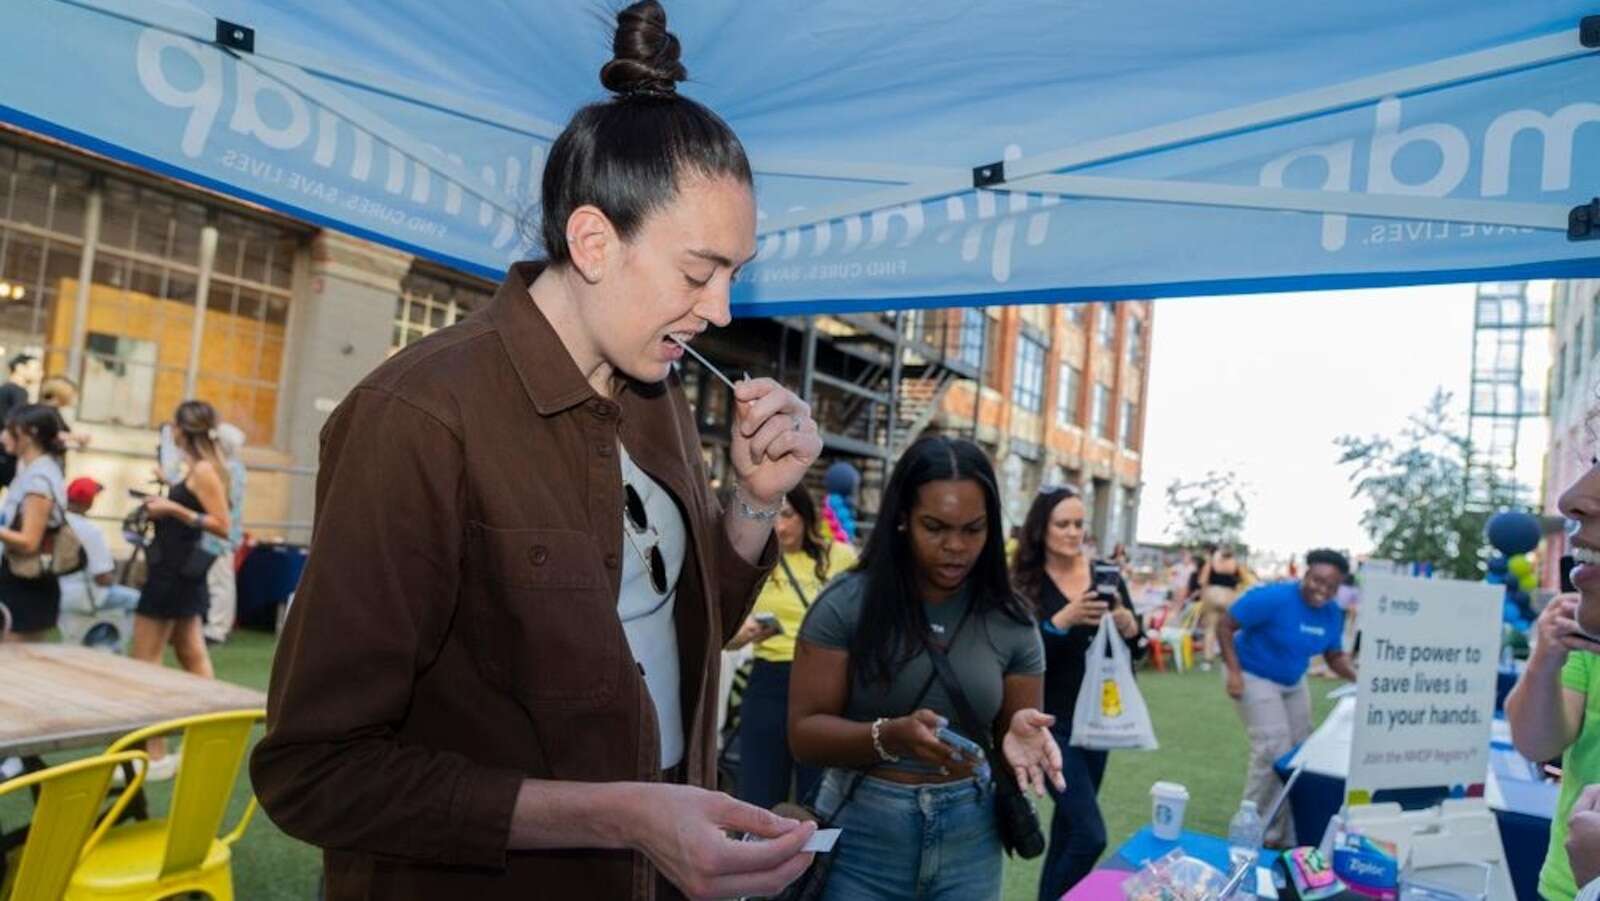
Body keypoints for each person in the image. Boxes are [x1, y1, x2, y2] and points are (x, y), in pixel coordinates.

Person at [250, 5, 823, 898]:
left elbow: (671, 629)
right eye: (699, 271)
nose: (722, 312)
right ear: (593, 241)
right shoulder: (419, 416)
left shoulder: (654, 388)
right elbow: (314, 770)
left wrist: (752, 502)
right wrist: (618, 813)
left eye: (735, 275)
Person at [789, 435, 1064, 901]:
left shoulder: (1012, 620)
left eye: (973, 529)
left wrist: (1018, 732)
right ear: (902, 520)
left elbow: (1012, 734)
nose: (955, 546)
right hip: (862, 831)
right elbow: (804, 734)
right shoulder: (847, 604)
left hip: (971, 837)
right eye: (935, 527)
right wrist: (888, 736)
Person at [1013, 485, 1143, 898]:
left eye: (1079, 524)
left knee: (1069, 829)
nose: (1073, 533)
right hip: (1050, 723)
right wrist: (1060, 622)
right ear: (1041, 529)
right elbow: (1016, 656)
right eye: (1062, 524)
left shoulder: (1106, 575)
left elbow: (1134, 649)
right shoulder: (1024, 581)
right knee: (1091, 835)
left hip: (1099, 720)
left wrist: (1129, 627)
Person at [725, 486, 856, 811]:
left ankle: (817, 861)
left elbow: (862, 617)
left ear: (805, 515)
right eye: (772, 516)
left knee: (820, 795)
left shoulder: (839, 557)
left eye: (787, 515)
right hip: (769, 679)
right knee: (759, 793)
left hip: (824, 683)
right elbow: (728, 639)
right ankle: (754, 858)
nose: (780, 527)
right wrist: (750, 632)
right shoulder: (755, 563)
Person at [1217, 548, 1357, 847]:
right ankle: (1255, 833)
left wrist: (1363, 678)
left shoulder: (1333, 613)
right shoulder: (1273, 598)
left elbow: (1334, 657)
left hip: (1292, 680)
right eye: (1317, 580)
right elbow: (1225, 625)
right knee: (1273, 749)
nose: (1322, 590)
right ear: (1306, 574)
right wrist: (1233, 672)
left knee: (1300, 752)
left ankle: (1288, 832)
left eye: (1331, 586)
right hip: (1252, 673)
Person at [1506, 456, 1600, 900]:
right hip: (1565, 882)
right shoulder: (1588, 634)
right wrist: (1546, 659)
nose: (1570, 499)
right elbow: (1537, 744)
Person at [132, 400, 232, 779]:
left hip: (173, 572)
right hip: (177, 568)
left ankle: (154, 754)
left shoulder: (205, 469)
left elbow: (222, 524)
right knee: (191, 652)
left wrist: (171, 509)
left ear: (181, 430)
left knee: (146, 662)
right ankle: (211, 734)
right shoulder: (197, 469)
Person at [0, 404, 69, 641]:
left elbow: (30, 541)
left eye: (9, 431)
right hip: (18, 578)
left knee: (16, 669)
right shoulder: (32, 468)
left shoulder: (39, 478)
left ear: (29, 434)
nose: (3, 437)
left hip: (28, 584)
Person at [56, 476, 117, 646]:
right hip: (84, 596)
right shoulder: (91, 531)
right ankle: (108, 647)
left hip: (54, 591)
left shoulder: (55, 522)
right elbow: (103, 578)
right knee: (135, 600)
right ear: (89, 502)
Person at [201, 423, 246, 644]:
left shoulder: (229, 469)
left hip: (221, 535)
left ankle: (217, 628)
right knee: (218, 580)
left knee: (220, 581)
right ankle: (215, 624)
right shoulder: (230, 468)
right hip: (219, 534)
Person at [1197, 545, 1244, 669]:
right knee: (1231, 629)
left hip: (1212, 595)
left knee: (1210, 629)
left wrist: (1202, 599)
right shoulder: (1235, 565)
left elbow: (1203, 582)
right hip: (1230, 596)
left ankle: (1208, 660)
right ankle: (1230, 657)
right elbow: (1241, 582)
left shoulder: (1211, 563)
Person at [0, 354, 40, 487]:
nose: (40, 374)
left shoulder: (6, 389)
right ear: (20, 368)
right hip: (5, 454)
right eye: (36, 369)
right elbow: (15, 422)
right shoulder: (18, 392)